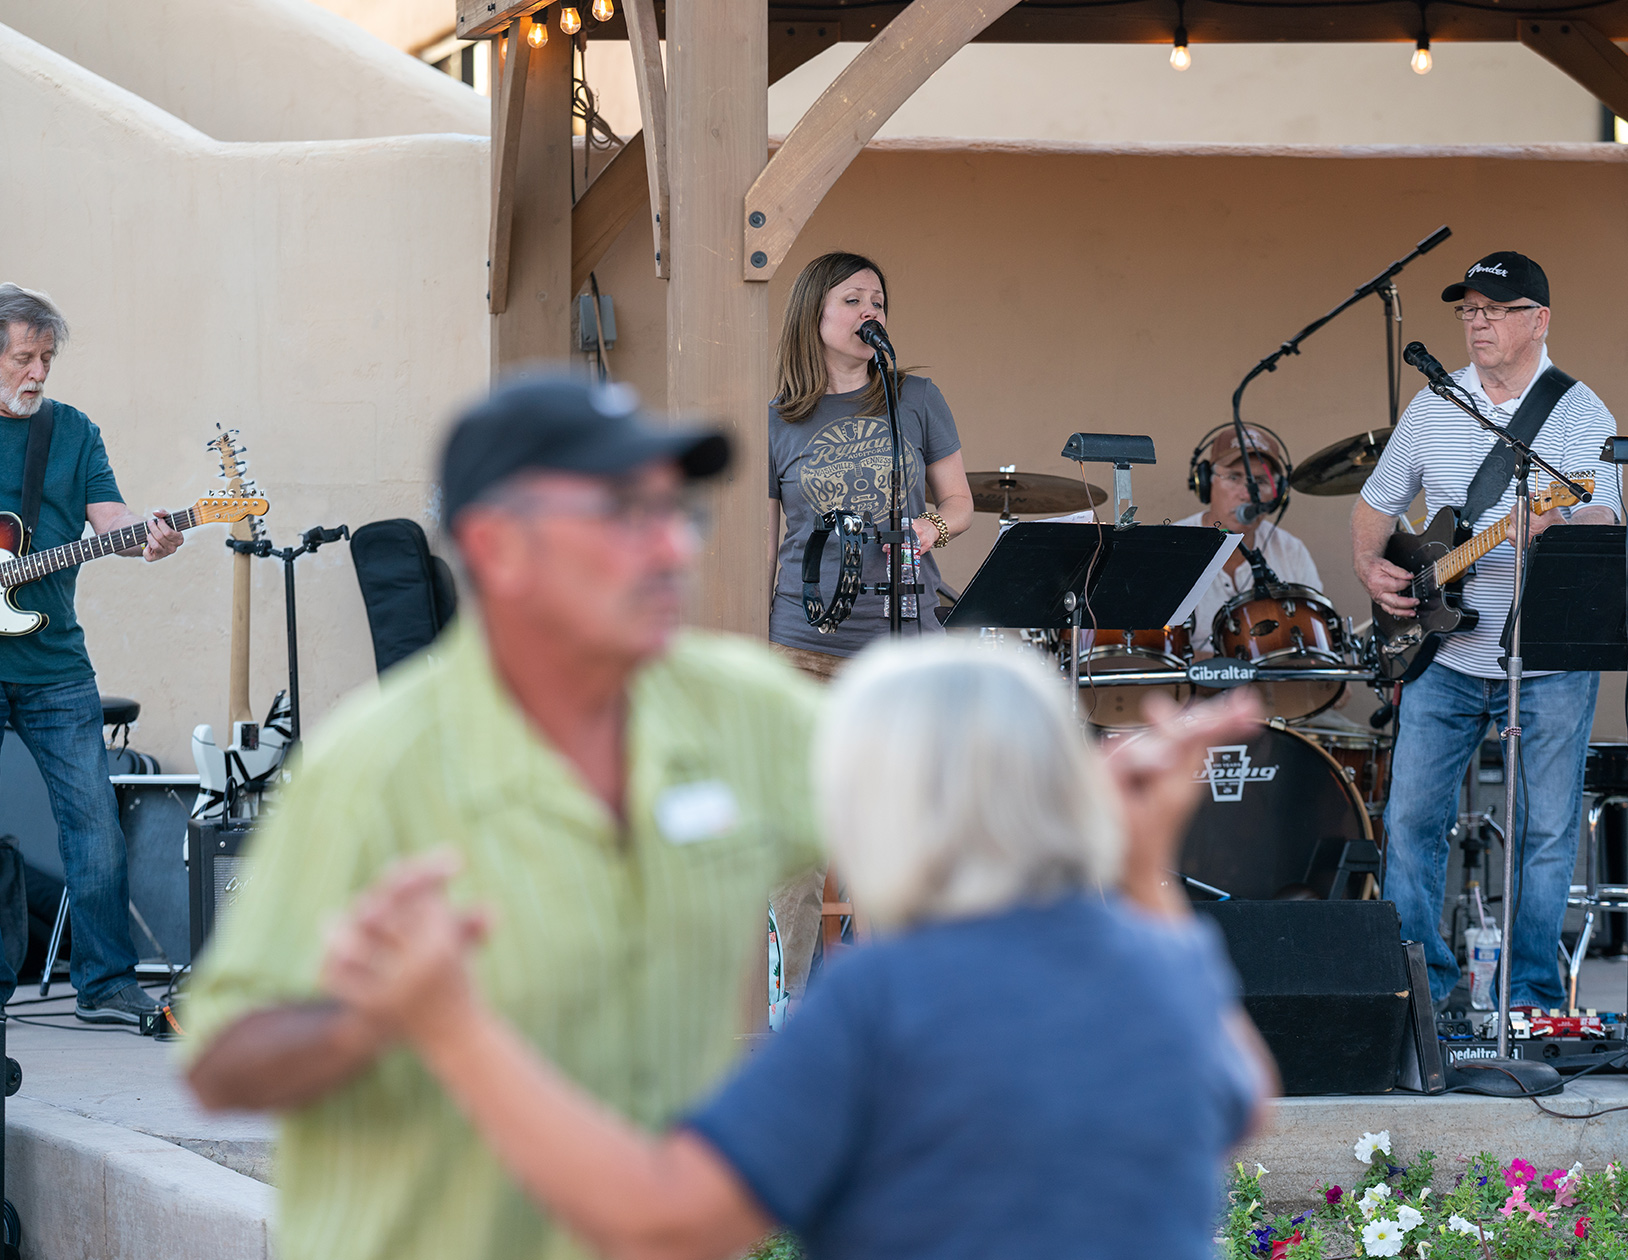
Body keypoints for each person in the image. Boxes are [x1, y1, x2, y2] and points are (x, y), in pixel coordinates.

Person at [318, 641, 1273, 1260]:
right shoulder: (1158, 962)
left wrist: (452, 1030)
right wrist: (1145, 868)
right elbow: (1245, 1095)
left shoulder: (889, 999)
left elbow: (667, 1222)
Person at [183, 375, 821, 1260]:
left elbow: (953, 845)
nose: (675, 547)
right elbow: (220, 1061)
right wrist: (380, 1017)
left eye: (681, 513)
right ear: (498, 547)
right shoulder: (374, 766)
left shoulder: (745, 708)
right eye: (625, 515)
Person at [1350, 252, 1622, 1011]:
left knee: (1545, 834)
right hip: (1441, 655)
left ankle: (1531, 995)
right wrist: (1372, 566)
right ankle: (1425, 993)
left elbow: (1604, 512)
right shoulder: (1434, 403)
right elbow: (1376, 502)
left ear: (1538, 320)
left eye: (1495, 310)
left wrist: (1561, 518)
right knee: (1410, 822)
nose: (1477, 322)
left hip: (1549, 660)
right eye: (1468, 310)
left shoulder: (1579, 412)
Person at [0, 283, 183, 1024]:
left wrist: (150, 533)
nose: (37, 372)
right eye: (21, 358)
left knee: (95, 828)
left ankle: (105, 983)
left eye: (46, 358)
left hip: (55, 668)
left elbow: (110, 515)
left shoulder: (71, 432)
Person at [767, 252, 974, 682]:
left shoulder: (916, 398)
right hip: (805, 648)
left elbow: (959, 503)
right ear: (813, 315)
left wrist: (929, 528)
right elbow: (762, 547)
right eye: (852, 300)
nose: (870, 311)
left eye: (878, 303)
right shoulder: (776, 419)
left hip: (909, 644)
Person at [1178, 423, 1322, 654]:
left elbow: (1317, 648)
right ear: (1205, 483)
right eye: (1234, 477)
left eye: (1261, 481)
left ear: (1279, 494)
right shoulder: (1171, 545)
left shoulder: (1290, 550)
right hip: (1188, 686)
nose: (1247, 493)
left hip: (1273, 687)